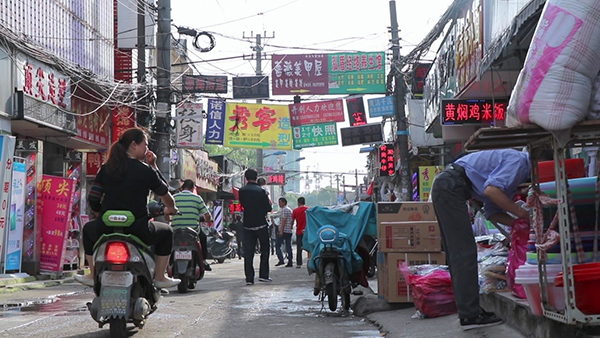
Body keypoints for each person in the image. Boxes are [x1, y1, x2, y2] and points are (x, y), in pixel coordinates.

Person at [431, 149, 530, 331]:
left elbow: (493, 213)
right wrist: (523, 214)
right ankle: (470, 315)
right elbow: (492, 191)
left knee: (459, 252)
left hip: (448, 186)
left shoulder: (512, 176)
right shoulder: (519, 162)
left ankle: (469, 312)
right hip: (450, 186)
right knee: (464, 252)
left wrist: (521, 223)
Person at [76, 128, 180, 288]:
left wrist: (100, 215)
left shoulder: (107, 168)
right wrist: (171, 208)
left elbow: (93, 198)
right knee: (167, 232)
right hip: (139, 229)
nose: (147, 149)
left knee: (88, 230)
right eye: (145, 144)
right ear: (133, 145)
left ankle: (92, 274)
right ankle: (160, 277)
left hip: (106, 228)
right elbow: (166, 195)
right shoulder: (145, 171)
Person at [239, 169, 273, 285]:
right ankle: (263, 275)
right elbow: (268, 208)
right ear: (256, 177)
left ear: (245, 178)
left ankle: (249, 278)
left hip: (248, 224)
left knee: (248, 252)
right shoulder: (261, 191)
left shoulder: (242, 191)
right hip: (261, 224)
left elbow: (243, 205)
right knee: (265, 249)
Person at [171, 179, 213, 271]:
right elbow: (207, 216)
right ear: (193, 188)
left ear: (181, 188)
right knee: (203, 237)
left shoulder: (174, 197)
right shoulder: (197, 198)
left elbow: (167, 213)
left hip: (176, 230)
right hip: (193, 231)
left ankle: (166, 263)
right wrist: (207, 219)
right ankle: (204, 261)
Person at [275, 197, 294, 267]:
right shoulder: (289, 210)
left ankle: (281, 259)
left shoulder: (284, 210)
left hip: (284, 230)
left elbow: (283, 220)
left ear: (283, 202)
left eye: (280, 202)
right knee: (288, 246)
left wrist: (281, 231)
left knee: (277, 245)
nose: (279, 204)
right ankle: (290, 261)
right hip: (289, 230)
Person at [292, 197, 308, 268]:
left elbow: (292, 221)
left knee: (299, 248)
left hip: (299, 231)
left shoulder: (295, 211)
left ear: (298, 203)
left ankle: (299, 263)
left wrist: (291, 227)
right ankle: (311, 261)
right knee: (310, 247)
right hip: (307, 232)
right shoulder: (308, 210)